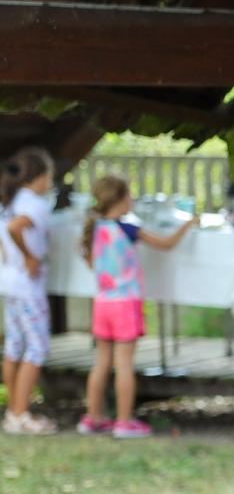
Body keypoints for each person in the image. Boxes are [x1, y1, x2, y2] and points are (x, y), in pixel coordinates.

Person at [75, 174, 198, 439]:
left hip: (103, 303)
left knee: (101, 363)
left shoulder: (94, 228)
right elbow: (166, 244)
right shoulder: (128, 229)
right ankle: (124, 420)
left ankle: (93, 417)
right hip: (125, 303)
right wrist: (188, 224)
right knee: (124, 364)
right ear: (119, 200)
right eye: (129, 195)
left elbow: (93, 263)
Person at [1, 147, 58, 435]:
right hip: (27, 285)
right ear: (39, 177)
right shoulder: (33, 204)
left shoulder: (11, 200)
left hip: (9, 282)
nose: (50, 182)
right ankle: (20, 413)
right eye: (49, 176)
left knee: (14, 346)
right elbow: (14, 228)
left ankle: (14, 411)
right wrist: (29, 256)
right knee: (36, 347)